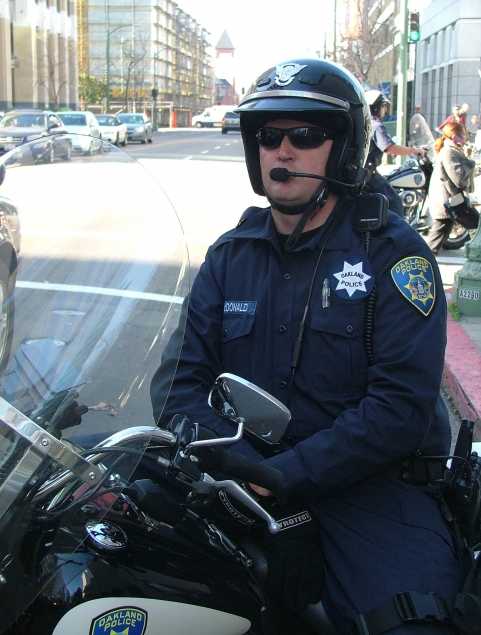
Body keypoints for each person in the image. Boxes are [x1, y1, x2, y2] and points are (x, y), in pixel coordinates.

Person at [151, 58, 466, 635]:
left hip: (368, 490)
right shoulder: (230, 257)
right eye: (269, 137)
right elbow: (179, 387)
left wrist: (284, 479)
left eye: (305, 135)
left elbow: (399, 410)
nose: (283, 152)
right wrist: (234, 472)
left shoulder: (394, 256)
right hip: (238, 479)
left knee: (412, 624)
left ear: (343, 149)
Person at [364, 90, 427, 218]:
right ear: (375, 107)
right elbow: (390, 148)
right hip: (368, 173)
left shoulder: (366, 122)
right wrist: (415, 150)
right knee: (395, 202)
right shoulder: (375, 124)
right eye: (383, 106)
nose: (385, 109)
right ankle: (396, 230)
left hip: (362, 171)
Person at [425, 122, 476, 256]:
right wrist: (469, 161)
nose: (465, 137)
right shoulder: (449, 152)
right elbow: (459, 178)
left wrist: (467, 157)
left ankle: (424, 261)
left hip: (450, 202)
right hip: (451, 203)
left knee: (434, 243)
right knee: (477, 226)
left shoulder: (453, 151)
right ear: (455, 136)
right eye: (463, 134)